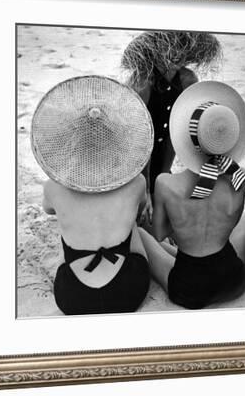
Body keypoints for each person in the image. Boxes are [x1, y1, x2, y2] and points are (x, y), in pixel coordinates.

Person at [30, 76, 154, 315]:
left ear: (70, 142)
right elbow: (140, 210)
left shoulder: (53, 188)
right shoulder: (136, 183)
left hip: (72, 297)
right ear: (119, 142)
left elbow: (48, 209)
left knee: (67, 230)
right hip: (127, 293)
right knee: (132, 229)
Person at [138, 81, 245, 310]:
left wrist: (184, 226)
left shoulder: (166, 183)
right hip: (232, 281)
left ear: (187, 139)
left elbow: (160, 233)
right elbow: (231, 224)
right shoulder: (239, 177)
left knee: (141, 234)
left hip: (188, 288)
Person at [121, 31, 222, 222]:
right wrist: (146, 191)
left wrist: (162, 178)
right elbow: (138, 138)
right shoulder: (142, 82)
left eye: (181, 48)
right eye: (169, 48)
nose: (176, 54)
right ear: (154, 50)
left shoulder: (188, 79)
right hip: (135, 149)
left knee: (162, 186)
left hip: (165, 141)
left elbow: (176, 131)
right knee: (140, 206)